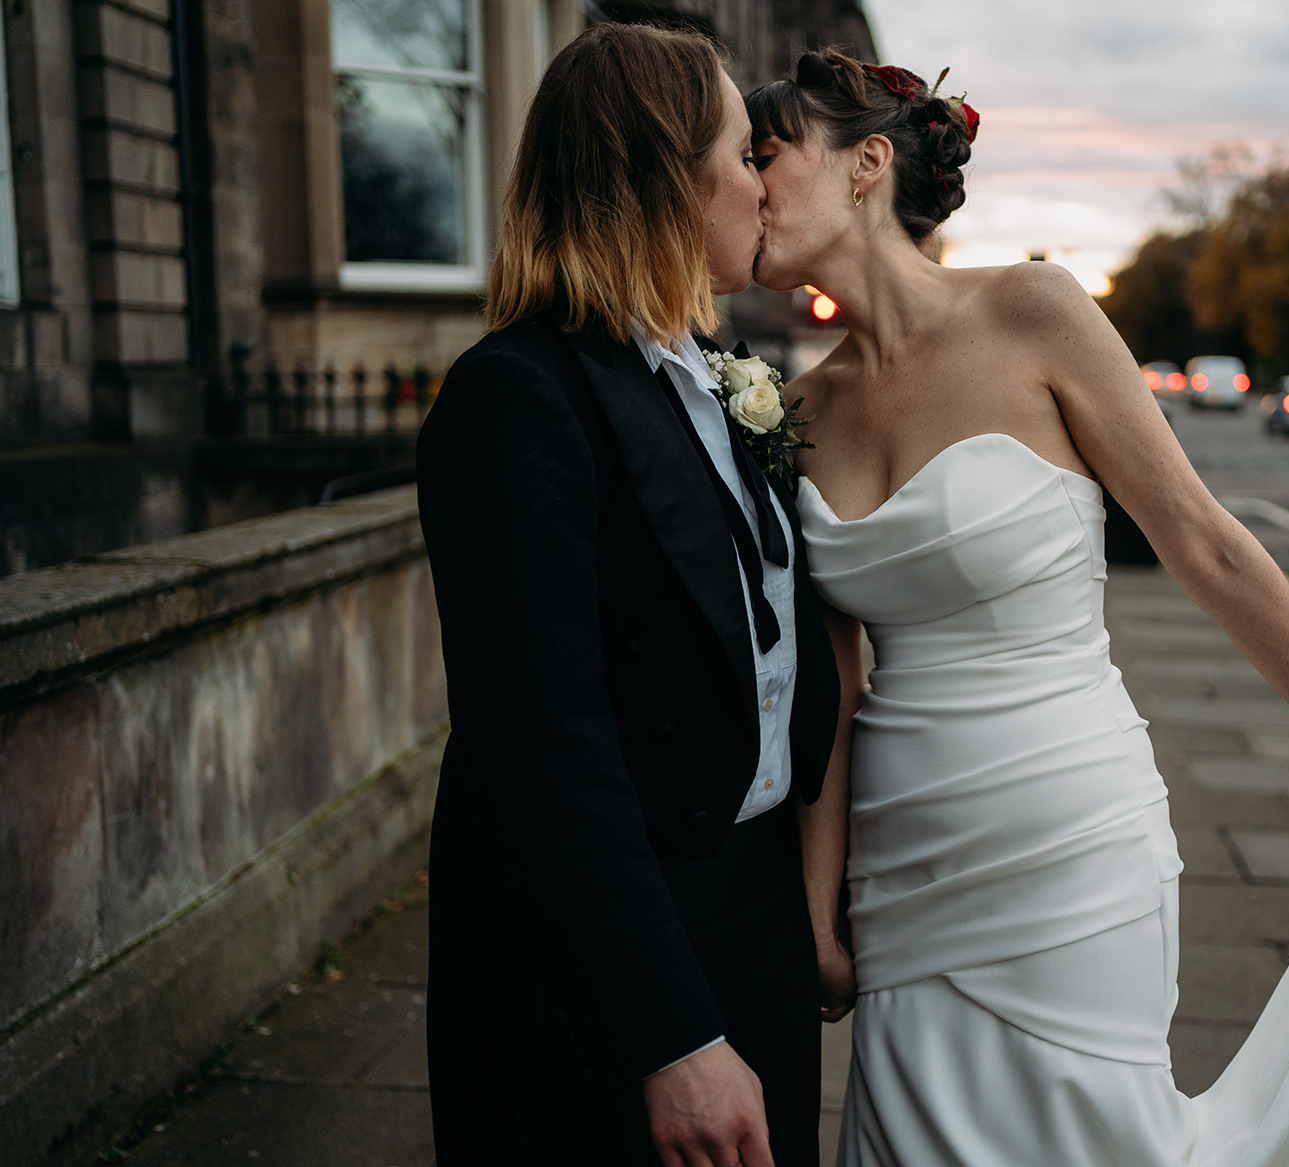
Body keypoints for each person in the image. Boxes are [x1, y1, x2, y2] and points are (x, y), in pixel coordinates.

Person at [748, 51, 1289, 1166]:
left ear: (865, 165)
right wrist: (821, 916)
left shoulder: (1033, 311)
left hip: (1070, 841)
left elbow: (1205, 545)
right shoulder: (798, 409)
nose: (745, 179)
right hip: (902, 868)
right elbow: (837, 687)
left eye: (765, 152)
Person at [416, 25, 840, 1166]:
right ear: (665, 175)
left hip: (752, 924)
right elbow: (544, 747)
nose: (764, 181)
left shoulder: (714, 378)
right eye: (743, 154)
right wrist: (673, 1035)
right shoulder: (516, 398)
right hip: (607, 966)